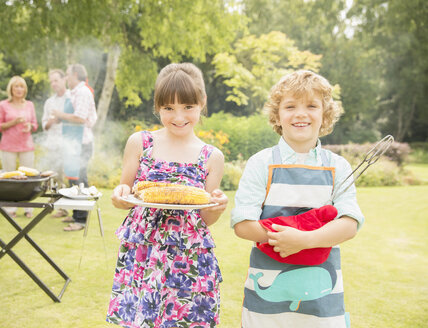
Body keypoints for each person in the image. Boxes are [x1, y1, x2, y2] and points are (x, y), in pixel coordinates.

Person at [231, 70, 364, 327]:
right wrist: (284, 239)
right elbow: (242, 224)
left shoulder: (338, 166)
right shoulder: (262, 163)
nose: (300, 113)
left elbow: (349, 223)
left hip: (322, 299)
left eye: (311, 106)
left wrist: (305, 240)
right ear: (277, 114)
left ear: (324, 115)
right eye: (290, 106)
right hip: (265, 302)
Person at [108, 63, 229, 327]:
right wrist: (119, 196)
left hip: (189, 256)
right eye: (169, 108)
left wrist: (216, 207)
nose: (178, 117)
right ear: (158, 106)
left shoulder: (211, 156)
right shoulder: (140, 143)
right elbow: (126, 194)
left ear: (202, 103)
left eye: (188, 107)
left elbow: (205, 219)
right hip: (143, 251)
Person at [52, 64, 97, 231]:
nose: (66, 79)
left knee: (80, 181)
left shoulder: (83, 92)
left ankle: (81, 220)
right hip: (72, 143)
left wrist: (60, 115)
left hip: (81, 144)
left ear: (75, 75)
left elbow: (80, 118)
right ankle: (76, 213)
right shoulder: (74, 93)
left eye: (67, 75)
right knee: (72, 179)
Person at [0, 76, 38, 218]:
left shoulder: (30, 105)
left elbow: (35, 125)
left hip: (27, 146)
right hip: (8, 146)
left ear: (25, 89)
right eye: (16, 86)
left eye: (22, 86)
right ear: (11, 89)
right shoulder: (3, 105)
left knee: (28, 178)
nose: (19, 89)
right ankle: (10, 208)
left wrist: (30, 126)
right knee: (9, 178)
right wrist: (13, 122)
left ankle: (28, 208)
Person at [41, 69, 70, 218]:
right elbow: (44, 124)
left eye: (56, 80)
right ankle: (53, 205)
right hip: (53, 144)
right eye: (51, 81)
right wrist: (51, 122)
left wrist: (62, 118)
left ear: (64, 79)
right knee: (54, 177)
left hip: (69, 144)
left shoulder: (71, 98)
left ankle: (65, 208)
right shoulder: (49, 102)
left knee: (67, 177)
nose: (53, 84)